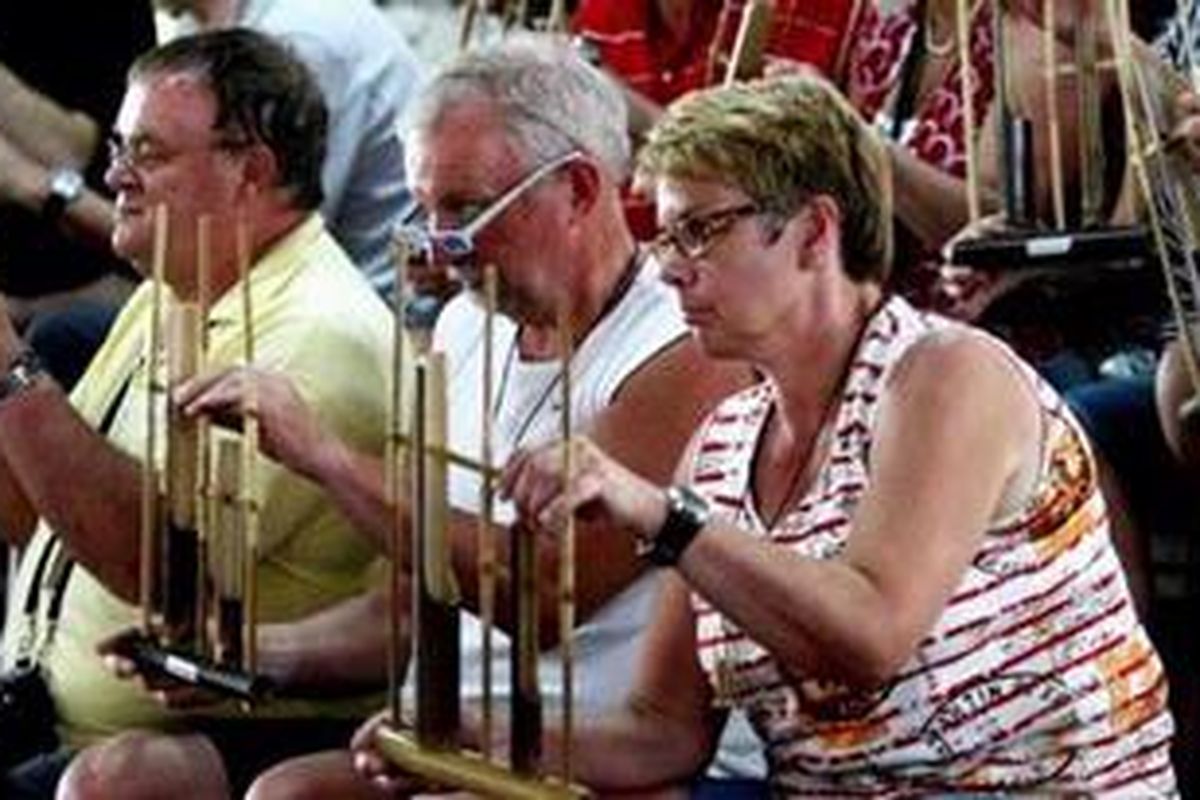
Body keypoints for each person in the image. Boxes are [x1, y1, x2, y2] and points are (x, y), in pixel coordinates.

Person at [356, 74, 1178, 795]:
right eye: (666, 235)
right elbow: (662, 731)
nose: (670, 266)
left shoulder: (946, 373)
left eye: (700, 230)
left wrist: (662, 516)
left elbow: (871, 635)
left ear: (815, 231)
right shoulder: (722, 444)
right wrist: (475, 734)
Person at [62, 39, 752, 800]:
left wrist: (325, 457)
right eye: (424, 211)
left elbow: (544, 596)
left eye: (464, 210)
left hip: (579, 753)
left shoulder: (681, 349)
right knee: (124, 780)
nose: (438, 248)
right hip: (437, 733)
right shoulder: (465, 323)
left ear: (579, 189)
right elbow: (405, 611)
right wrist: (241, 654)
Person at [0, 29, 394, 799]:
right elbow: (38, 519)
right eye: (119, 148)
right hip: (45, 715)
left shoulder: (315, 334)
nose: (114, 175)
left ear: (252, 171)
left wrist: (11, 372)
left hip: (170, 742)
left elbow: (154, 570)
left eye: (147, 153)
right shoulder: (180, 281)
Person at [154, 0, 422, 296]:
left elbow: (276, 231)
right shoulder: (201, 28)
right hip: (304, 283)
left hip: (375, 298)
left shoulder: (299, 41)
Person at [0, 1, 156, 387]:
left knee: (59, 335)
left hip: (84, 301)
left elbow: (73, 154)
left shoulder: (99, 18)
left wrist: (31, 185)